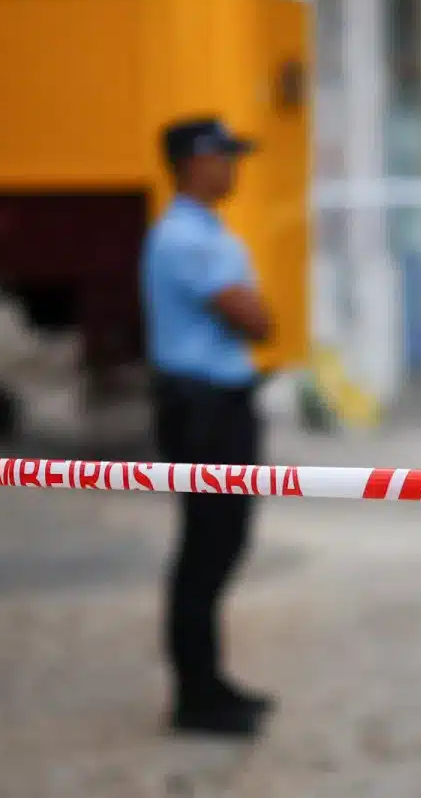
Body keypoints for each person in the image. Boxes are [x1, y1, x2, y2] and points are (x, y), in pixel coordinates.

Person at [141, 115, 277, 738]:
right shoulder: (185, 239)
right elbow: (253, 317)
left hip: (219, 403)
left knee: (222, 544)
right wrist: (256, 309)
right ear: (194, 163)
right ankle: (195, 696)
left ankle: (209, 681)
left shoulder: (204, 231)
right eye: (225, 157)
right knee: (206, 548)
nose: (233, 168)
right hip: (203, 409)